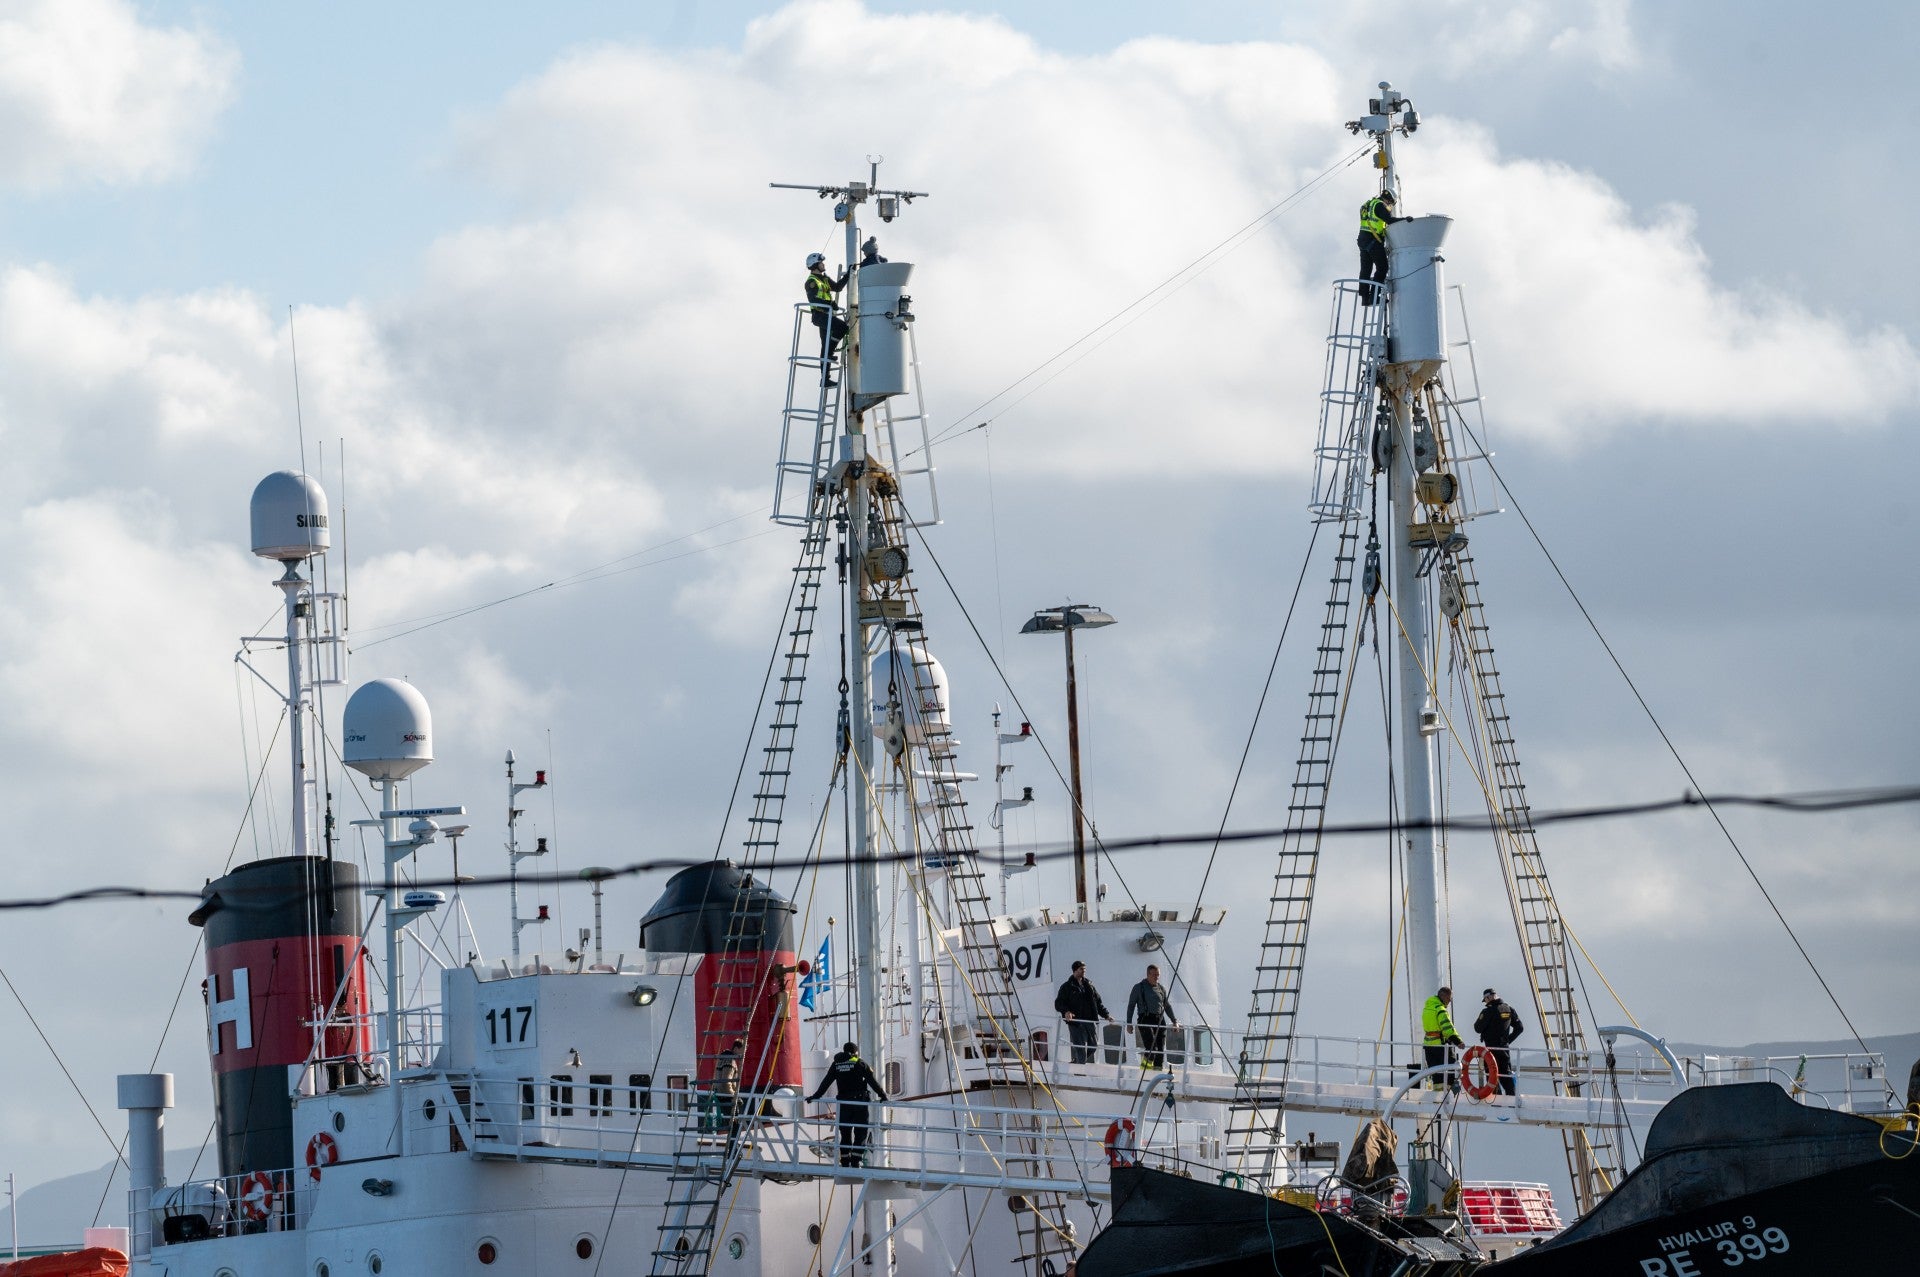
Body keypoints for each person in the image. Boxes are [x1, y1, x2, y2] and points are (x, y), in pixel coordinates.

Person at [808, 1040, 888, 1167]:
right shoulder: (859, 1063)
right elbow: (872, 1082)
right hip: (859, 1103)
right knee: (860, 1132)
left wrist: (815, 1096)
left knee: (845, 1133)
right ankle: (856, 1160)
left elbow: (826, 1082)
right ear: (855, 1052)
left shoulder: (836, 1064)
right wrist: (883, 1095)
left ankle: (845, 1161)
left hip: (843, 1104)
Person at [1053, 960, 1113, 1065]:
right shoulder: (1067, 987)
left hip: (1089, 1021)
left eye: (1084, 969)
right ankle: (1080, 1073)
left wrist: (1106, 1015)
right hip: (1075, 1022)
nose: (1084, 971)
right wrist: (1066, 1011)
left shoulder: (1089, 986)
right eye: (1081, 969)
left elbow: (1097, 1003)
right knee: (1081, 1048)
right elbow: (1059, 1003)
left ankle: (1077, 1062)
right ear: (1075, 970)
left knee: (1093, 1046)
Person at [803, 252, 849, 385]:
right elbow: (814, 300)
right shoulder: (811, 281)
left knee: (825, 345)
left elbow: (838, 287)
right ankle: (830, 352)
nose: (823, 264)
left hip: (827, 315)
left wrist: (848, 275)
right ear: (815, 265)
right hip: (819, 316)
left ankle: (825, 379)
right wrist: (830, 304)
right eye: (821, 262)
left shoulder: (824, 279)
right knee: (842, 327)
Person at [1357, 189, 1407, 307]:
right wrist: (1405, 219)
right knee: (1382, 268)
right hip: (1373, 240)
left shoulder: (1368, 204)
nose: (1389, 206)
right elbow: (1389, 220)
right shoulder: (1379, 206)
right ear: (1388, 199)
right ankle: (1374, 296)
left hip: (1362, 239)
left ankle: (1365, 297)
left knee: (1366, 269)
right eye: (1390, 203)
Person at [1473, 988, 1525, 1097]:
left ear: (1488, 997)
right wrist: (1507, 1041)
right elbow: (1519, 1028)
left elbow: (1477, 1028)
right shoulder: (1508, 1009)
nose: (1486, 1003)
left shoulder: (1488, 1011)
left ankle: (1496, 1100)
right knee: (1506, 1075)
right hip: (1504, 1049)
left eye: (1485, 1000)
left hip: (1491, 1050)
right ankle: (1512, 1100)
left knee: (1492, 1076)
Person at [1126, 964, 1178, 1070]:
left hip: (1159, 1019)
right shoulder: (1139, 988)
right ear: (1148, 974)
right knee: (1151, 1047)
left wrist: (1174, 1021)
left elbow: (1166, 1006)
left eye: (1158, 975)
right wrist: (1129, 1023)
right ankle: (1145, 1069)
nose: (1156, 977)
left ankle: (1157, 1070)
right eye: (1154, 975)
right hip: (1145, 1018)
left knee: (1160, 1049)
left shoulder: (1161, 988)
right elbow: (1131, 1005)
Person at [1422, 985, 1465, 1090]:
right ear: (1444, 996)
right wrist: (1458, 1041)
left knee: (1436, 1073)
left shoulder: (1427, 1008)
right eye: (1449, 998)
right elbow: (1447, 1029)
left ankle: (1437, 1096)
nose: (1450, 1001)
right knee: (1450, 1070)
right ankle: (1448, 1096)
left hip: (1428, 1046)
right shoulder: (1440, 1010)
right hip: (1440, 1046)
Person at [709, 1036, 746, 1142]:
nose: (742, 1053)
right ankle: (733, 1147)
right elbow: (726, 1082)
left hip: (720, 1095)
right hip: (727, 1097)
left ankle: (730, 1146)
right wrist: (734, 1097)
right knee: (734, 1125)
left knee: (729, 1123)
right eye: (742, 1050)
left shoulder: (721, 1059)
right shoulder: (730, 1061)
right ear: (736, 1048)